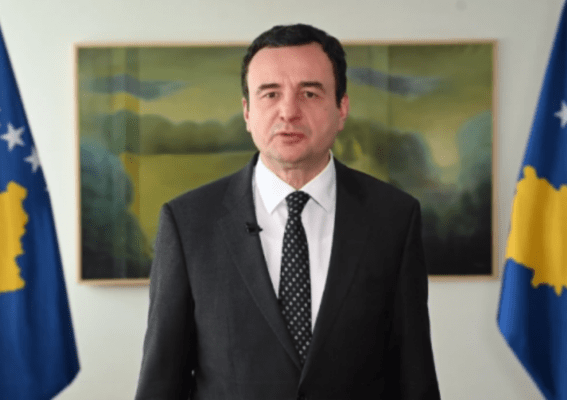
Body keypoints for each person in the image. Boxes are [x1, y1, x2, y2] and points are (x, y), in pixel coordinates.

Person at [135, 24, 440, 400]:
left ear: (342, 108)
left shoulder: (394, 218)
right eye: (270, 94)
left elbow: (414, 377)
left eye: (309, 93)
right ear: (247, 112)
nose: (289, 112)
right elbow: (161, 384)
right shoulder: (187, 223)